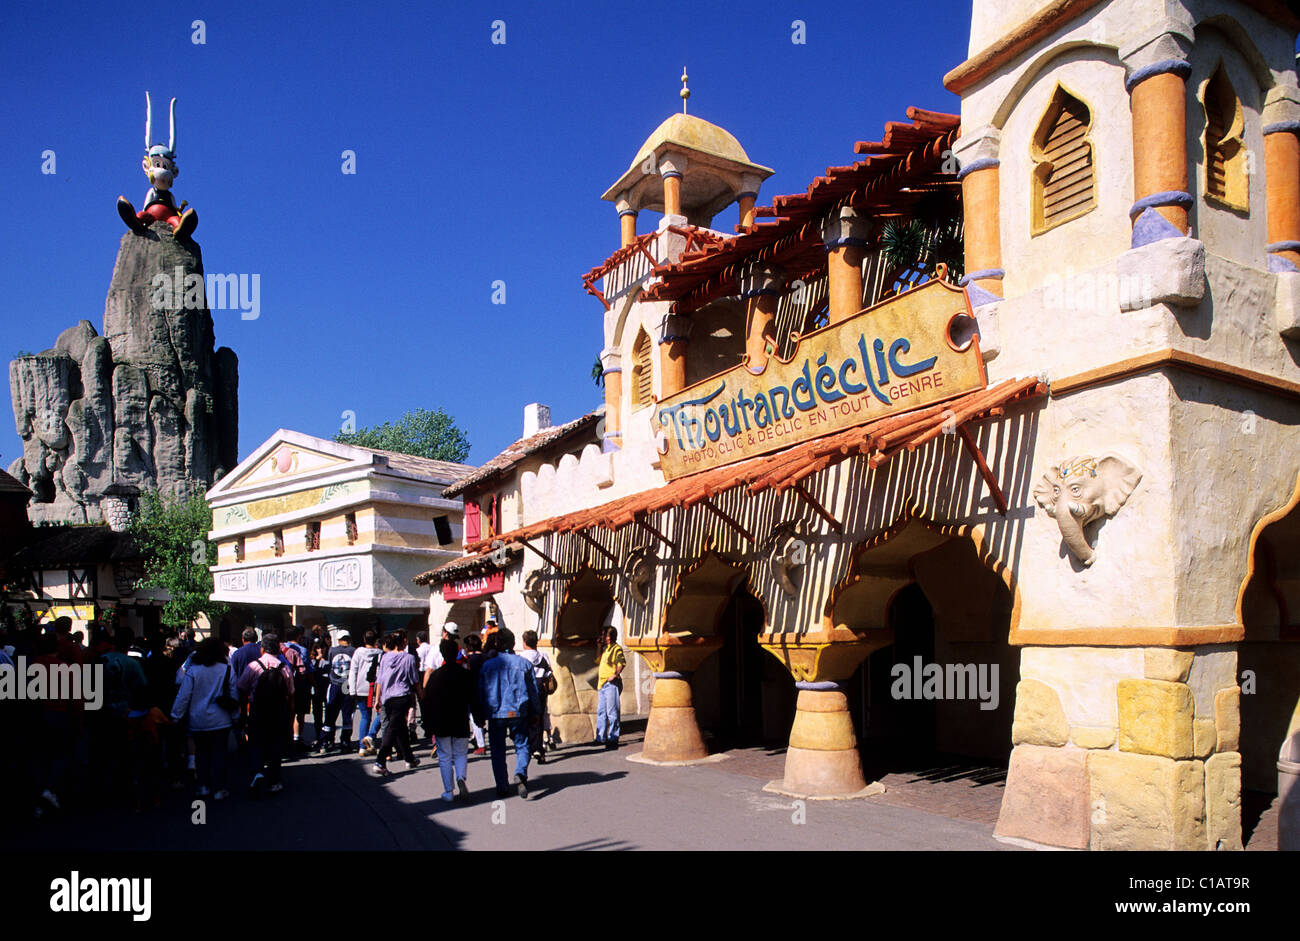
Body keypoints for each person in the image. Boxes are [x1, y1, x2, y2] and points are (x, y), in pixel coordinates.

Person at [170, 637, 236, 800]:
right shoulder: (227, 668)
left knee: (201, 754)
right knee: (220, 753)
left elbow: (183, 696)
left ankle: (203, 786)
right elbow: (233, 693)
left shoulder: (194, 670)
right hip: (221, 719)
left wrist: (175, 715)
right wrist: (236, 715)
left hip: (198, 719)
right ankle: (219, 788)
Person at [477, 628, 539, 799]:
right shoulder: (524, 664)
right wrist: (536, 712)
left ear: (496, 643)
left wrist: (480, 714)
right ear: (513, 644)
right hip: (519, 711)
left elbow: (481, 692)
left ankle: (502, 786)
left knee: (497, 750)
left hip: (496, 713)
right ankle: (520, 772)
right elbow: (533, 691)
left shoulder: (487, 666)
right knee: (522, 745)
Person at [237, 633, 294, 794]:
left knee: (256, 743)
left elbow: (241, 688)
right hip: (278, 712)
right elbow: (290, 694)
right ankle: (274, 781)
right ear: (278, 649)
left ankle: (258, 772)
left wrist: (243, 712)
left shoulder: (254, 666)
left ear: (261, 649)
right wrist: (290, 716)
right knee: (275, 745)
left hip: (257, 711)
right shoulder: (284, 668)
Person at [425, 638, 472, 801]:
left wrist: (427, 723)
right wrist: (479, 717)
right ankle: (461, 777)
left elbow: (427, 701)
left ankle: (448, 791)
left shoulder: (436, 676)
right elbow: (473, 697)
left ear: (443, 654)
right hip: (460, 719)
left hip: (441, 721)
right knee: (461, 753)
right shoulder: (465, 674)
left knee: (445, 756)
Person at [372, 634, 421, 776]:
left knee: (400, 728)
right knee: (393, 728)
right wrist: (421, 694)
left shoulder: (385, 657)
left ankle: (409, 758)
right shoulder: (408, 658)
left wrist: (377, 699)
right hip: (402, 695)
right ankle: (380, 761)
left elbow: (379, 680)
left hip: (388, 697)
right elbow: (414, 679)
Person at [518, 630, 555, 763]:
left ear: (524, 642)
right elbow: (548, 674)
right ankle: (538, 748)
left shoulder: (521, 657)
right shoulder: (543, 656)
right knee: (538, 720)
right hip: (540, 691)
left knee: (525, 720)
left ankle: (528, 748)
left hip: (525, 690)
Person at [319, 632, 356, 753]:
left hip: (334, 683)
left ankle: (326, 741)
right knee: (347, 713)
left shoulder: (332, 650)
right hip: (347, 684)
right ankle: (345, 742)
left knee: (330, 712)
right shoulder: (353, 651)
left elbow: (329, 664)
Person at [347, 631, 383, 756]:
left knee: (365, 716)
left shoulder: (358, 652)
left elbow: (353, 671)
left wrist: (352, 689)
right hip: (375, 689)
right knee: (382, 714)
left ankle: (362, 747)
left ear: (364, 639)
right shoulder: (380, 654)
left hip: (360, 688)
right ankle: (371, 736)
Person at [595, 627, 626, 750]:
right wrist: (598, 646)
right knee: (601, 712)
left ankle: (613, 738)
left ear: (609, 637)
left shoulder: (616, 649)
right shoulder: (606, 649)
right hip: (602, 684)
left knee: (612, 712)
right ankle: (600, 737)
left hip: (611, 684)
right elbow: (598, 660)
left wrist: (615, 674)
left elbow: (621, 662)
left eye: (604, 635)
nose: (602, 637)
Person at [463, 633, 488, 754]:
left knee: (474, 718)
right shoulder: (486, 657)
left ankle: (481, 744)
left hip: (472, 690)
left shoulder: (469, 660)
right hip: (486, 689)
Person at [309, 639, 330, 750]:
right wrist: (317, 659)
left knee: (328, 715)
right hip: (316, 690)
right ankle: (319, 737)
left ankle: (327, 738)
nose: (320, 650)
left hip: (326, 690)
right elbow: (311, 671)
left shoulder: (328, 660)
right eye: (318, 648)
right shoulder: (312, 661)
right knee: (317, 716)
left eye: (322, 647)